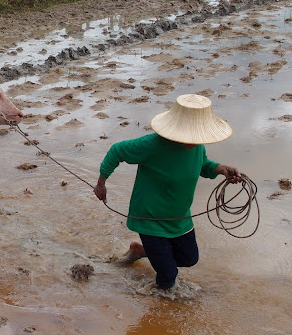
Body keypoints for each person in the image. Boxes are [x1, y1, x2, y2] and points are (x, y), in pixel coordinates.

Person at [93, 93, 242, 290]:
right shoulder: (153, 144)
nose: (195, 141)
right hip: (150, 218)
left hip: (179, 218)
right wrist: (101, 183)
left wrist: (220, 169)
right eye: (192, 135)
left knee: (189, 258)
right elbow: (117, 150)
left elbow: (202, 165)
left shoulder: (197, 146)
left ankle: (142, 251)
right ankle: (158, 306)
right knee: (168, 275)